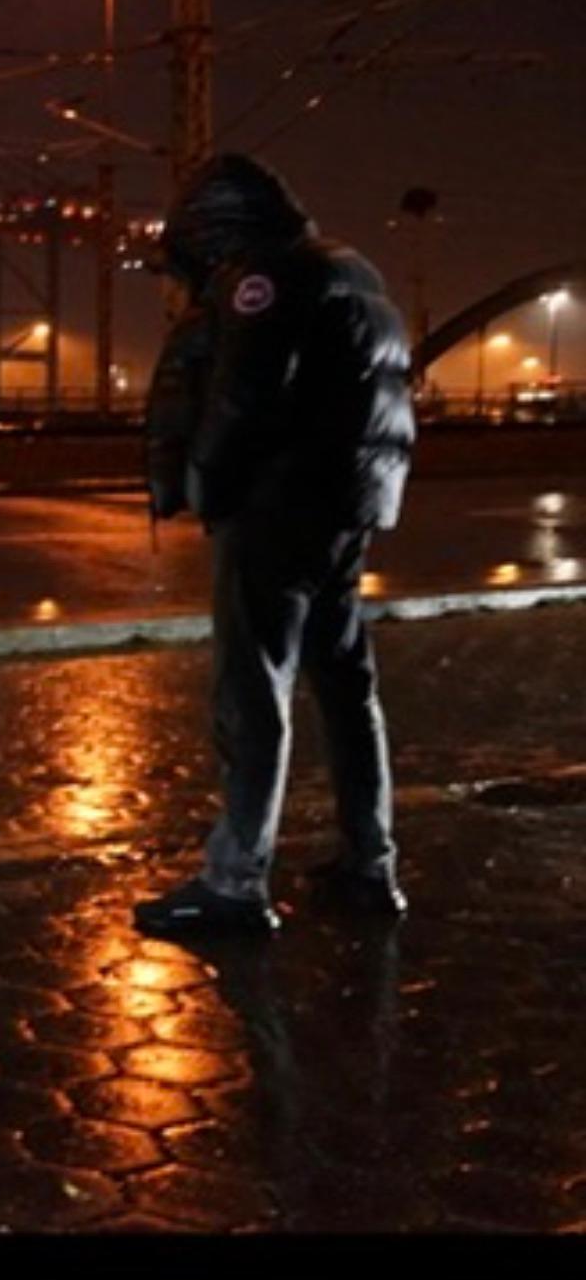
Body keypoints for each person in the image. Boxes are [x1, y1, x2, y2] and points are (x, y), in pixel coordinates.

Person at [134, 151, 416, 937]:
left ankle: (235, 883)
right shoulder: (351, 271)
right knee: (345, 687)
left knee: (252, 692)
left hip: (279, 507)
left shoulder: (261, 279)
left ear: (216, 230)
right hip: (346, 507)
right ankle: (370, 864)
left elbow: (242, 396)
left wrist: (206, 486)